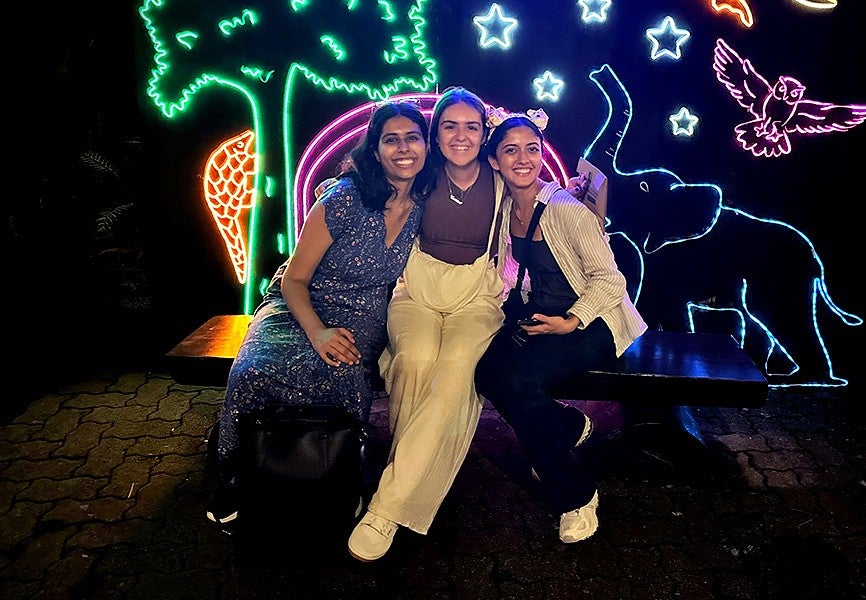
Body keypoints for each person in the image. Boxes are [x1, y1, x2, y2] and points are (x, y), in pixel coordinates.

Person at [206, 100, 436, 524]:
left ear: (426, 145)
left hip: (363, 315)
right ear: (375, 149)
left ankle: (336, 473)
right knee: (253, 371)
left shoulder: (428, 200)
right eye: (391, 140)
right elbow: (295, 279)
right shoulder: (346, 197)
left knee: (346, 377)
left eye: (412, 138)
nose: (403, 149)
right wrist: (317, 332)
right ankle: (237, 473)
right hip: (299, 306)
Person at [347, 87, 507, 561]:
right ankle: (414, 473)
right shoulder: (419, 174)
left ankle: (387, 506)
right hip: (415, 287)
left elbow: (551, 203)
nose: (461, 135)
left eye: (472, 126)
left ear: (485, 133)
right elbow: (363, 184)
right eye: (450, 126)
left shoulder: (500, 178)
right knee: (414, 360)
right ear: (435, 134)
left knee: (456, 369)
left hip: (475, 294)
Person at [473, 109, 648, 544]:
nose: (523, 159)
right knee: (485, 373)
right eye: (510, 150)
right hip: (546, 316)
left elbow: (611, 280)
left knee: (517, 381)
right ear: (494, 160)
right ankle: (565, 429)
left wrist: (573, 320)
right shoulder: (505, 207)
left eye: (532, 149)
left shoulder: (566, 209)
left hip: (595, 321)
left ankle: (575, 493)